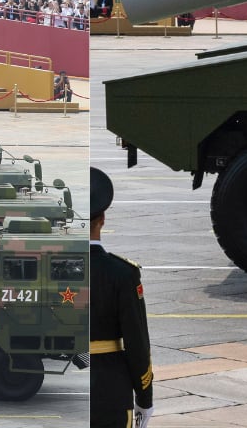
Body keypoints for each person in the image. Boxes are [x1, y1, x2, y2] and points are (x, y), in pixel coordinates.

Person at [89, 167, 151, 428]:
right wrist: (144, 399)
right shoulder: (123, 274)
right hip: (110, 388)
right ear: (102, 219)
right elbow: (137, 343)